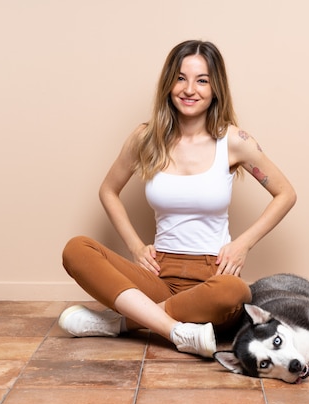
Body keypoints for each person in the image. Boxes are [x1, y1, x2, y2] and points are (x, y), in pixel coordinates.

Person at [58, 40, 296, 358]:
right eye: (181, 78)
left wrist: (243, 244)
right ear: (169, 83)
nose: (189, 89)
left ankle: (121, 324)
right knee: (77, 249)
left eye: (202, 80)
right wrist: (135, 246)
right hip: (158, 273)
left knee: (235, 291)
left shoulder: (234, 141)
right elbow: (108, 190)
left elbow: (286, 194)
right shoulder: (146, 138)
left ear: (215, 88)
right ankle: (176, 331)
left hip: (213, 275)